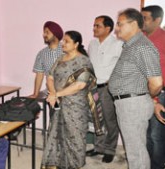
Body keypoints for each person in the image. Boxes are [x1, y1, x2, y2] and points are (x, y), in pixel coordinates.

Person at [109, 8, 163, 169]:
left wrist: (147, 97)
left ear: (133, 24)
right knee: (134, 149)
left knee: (136, 151)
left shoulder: (142, 47)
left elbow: (157, 83)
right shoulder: (132, 45)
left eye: (119, 24)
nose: (116, 28)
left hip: (133, 105)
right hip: (128, 103)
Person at [41, 31, 93, 169]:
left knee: (74, 136)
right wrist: (53, 94)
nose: (63, 43)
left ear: (76, 44)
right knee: (55, 134)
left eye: (67, 41)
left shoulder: (83, 61)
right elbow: (50, 76)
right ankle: (55, 164)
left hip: (75, 105)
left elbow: (80, 85)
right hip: (57, 102)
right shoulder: (60, 58)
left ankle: (74, 165)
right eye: (63, 40)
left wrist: (56, 94)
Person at [86, 15, 122, 163]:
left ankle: (110, 149)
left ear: (108, 28)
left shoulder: (117, 44)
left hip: (107, 89)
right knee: (96, 119)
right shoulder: (92, 43)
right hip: (92, 88)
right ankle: (98, 147)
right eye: (94, 25)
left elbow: (122, 65)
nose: (94, 28)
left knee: (109, 120)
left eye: (97, 26)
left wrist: (112, 80)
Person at [141, 5, 165, 169]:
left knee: (157, 136)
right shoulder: (141, 37)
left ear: (157, 20)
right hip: (144, 91)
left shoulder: (164, 39)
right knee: (147, 134)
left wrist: (156, 96)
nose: (141, 21)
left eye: (145, 18)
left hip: (160, 92)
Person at [29, 21, 64, 98]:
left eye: (47, 32)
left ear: (55, 34)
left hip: (69, 93)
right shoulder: (41, 54)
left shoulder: (67, 50)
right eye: (44, 32)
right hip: (51, 93)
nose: (44, 35)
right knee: (54, 109)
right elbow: (39, 75)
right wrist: (35, 94)